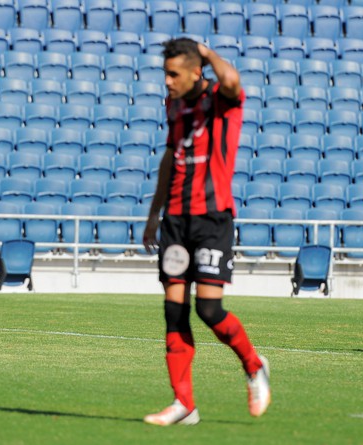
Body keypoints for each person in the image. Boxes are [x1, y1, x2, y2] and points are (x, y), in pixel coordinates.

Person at [142, 38, 270, 426]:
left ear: (196, 71)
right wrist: (154, 213)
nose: (167, 81)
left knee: (208, 309)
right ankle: (184, 403)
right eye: (164, 74)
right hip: (176, 221)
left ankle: (254, 366)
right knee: (174, 311)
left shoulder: (220, 98)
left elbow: (231, 79)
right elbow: (170, 157)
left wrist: (207, 52)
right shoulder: (173, 106)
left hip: (213, 218)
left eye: (173, 74)